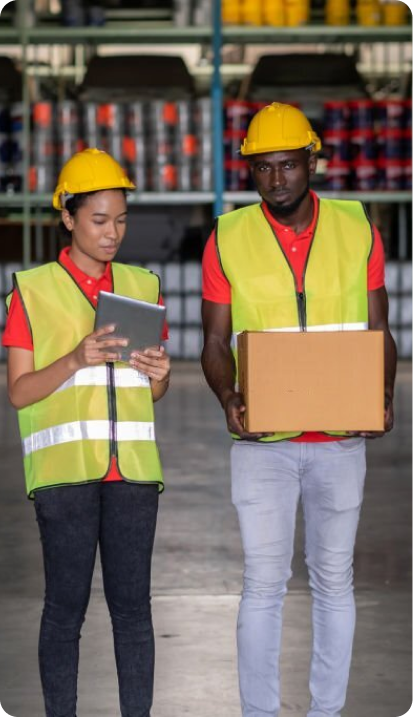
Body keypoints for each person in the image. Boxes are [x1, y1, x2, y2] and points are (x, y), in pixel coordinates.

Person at [201, 102, 397, 717]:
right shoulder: (227, 237)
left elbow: (379, 327)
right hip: (263, 444)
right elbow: (213, 342)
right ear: (250, 171)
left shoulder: (358, 225)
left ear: (313, 161)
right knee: (263, 584)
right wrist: (229, 395)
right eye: (264, 168)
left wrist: (382, 396)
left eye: (288, 164)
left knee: (334, 583)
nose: (277, 179)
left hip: (341, 439)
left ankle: (326, 712)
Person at [3, 148, 170, 717]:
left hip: (134, 478)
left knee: (134, 613)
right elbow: (20, 391)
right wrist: (74, 359)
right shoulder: (31, 291)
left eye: (121, 219)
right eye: (99, 220)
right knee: (64, 611)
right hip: (65, 477)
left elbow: (149, 391)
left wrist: (160, 375)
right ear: (68, 217)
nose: (112, 233)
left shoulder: (143, 286)